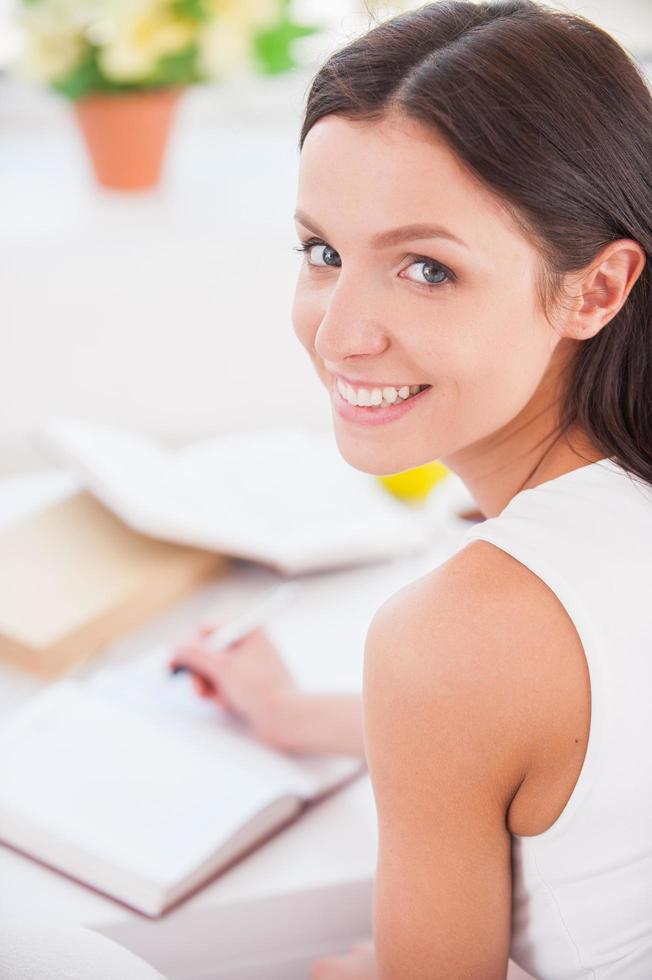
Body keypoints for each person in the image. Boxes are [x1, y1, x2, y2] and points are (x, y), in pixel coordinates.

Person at [169, 0, 652, 976]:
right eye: (322, 253)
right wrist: (311, 714)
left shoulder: (454, 638)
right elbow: (575, 745)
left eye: (426, 268)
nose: (342, 332)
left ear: (594, 289)